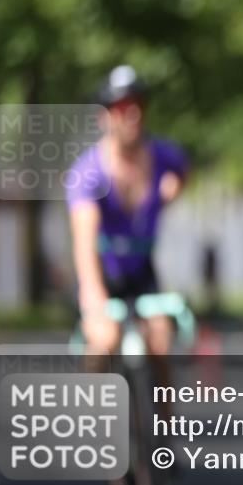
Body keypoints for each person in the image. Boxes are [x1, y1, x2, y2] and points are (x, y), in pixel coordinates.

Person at [67, 64, 188, 367]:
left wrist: (175, 186)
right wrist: (93, 296)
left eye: (138, 106)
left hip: (142, 273)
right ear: (105, 116)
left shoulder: (162, 155)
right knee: (104, 340)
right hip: (103, 273)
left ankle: (163, 415)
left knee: (160, 341)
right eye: (122, 107)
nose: (132, 115)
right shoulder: (89, 174)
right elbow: (84, 242)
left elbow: (183, 168)